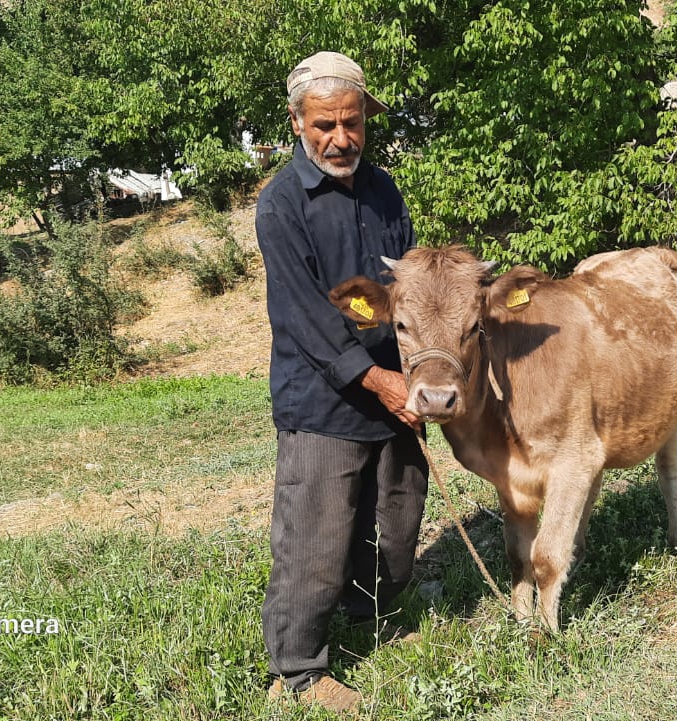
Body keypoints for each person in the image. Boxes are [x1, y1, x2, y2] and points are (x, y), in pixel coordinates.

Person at [255, 51, 427, 715]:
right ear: (298, 123)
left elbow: (407, 284)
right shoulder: (281, 205)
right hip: (323, 400)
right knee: (316, 539)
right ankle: (298, 670)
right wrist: (379, 379)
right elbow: (307, 316)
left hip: (394, 388)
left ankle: (369, 619)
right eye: (324, 124)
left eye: (351, 123)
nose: (340, 138)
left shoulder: (383, 189)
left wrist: (419, 366)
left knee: (395, 520)